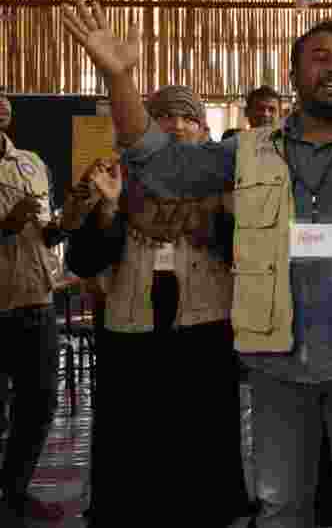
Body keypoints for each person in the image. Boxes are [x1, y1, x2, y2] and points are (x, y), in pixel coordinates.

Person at [60, 0, 332, 528]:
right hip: (276, 366)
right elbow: (162, 166)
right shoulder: (246, 150)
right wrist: (120, 79)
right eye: (320, 56)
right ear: (293, 72)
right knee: (281, 509)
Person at [63, 85, 249, 528]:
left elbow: (251, 253)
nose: (178, 125)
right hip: (132, 324)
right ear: (146, 126)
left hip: (204, 324)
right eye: (165, 116)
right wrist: (107, 211)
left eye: (188, 118)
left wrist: (218, 224)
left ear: (205, 128)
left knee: (201, 434)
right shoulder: (113, 176)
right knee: (132, 436)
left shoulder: (228, 179)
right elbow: (83, 259)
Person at [0, 89, 66, 524]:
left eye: (4, 98)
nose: (2, 102)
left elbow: (45, 231)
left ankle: (15, 490)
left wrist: (69, 219)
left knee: (39, 402)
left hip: (37, 299)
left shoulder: (31, 162)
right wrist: (7, 222)